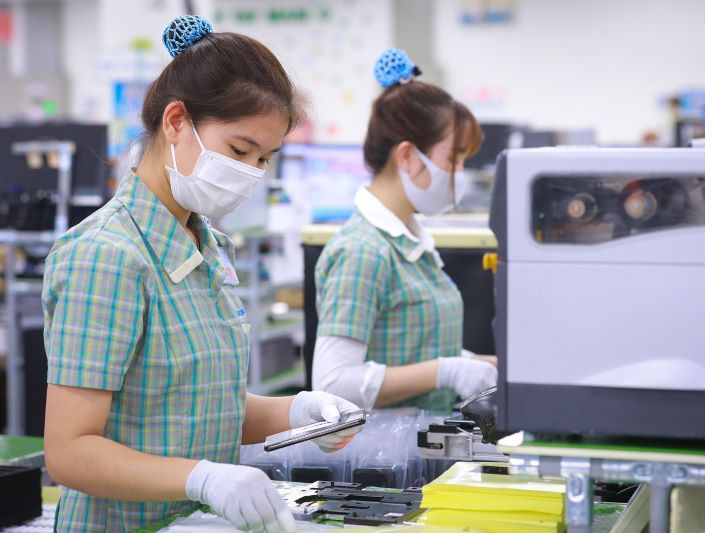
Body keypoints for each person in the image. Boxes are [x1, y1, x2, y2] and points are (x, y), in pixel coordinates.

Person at [42, 16, 360, 533]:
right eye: (239, 150)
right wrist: (202, 479)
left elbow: (197, 402)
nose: (250, 174)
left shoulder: (209, 248)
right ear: (175, 122)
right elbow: (70, 452)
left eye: (263, 159)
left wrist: (297, 413)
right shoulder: (107, 256)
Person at [312, 48, 498, 412]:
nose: (459, 174)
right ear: (409, 157)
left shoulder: (408, 242)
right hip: (382, 457)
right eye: (454, 159)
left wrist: (473, 364)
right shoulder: (363, 250)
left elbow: (409, 344)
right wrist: (446, 371)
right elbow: (334, 382)